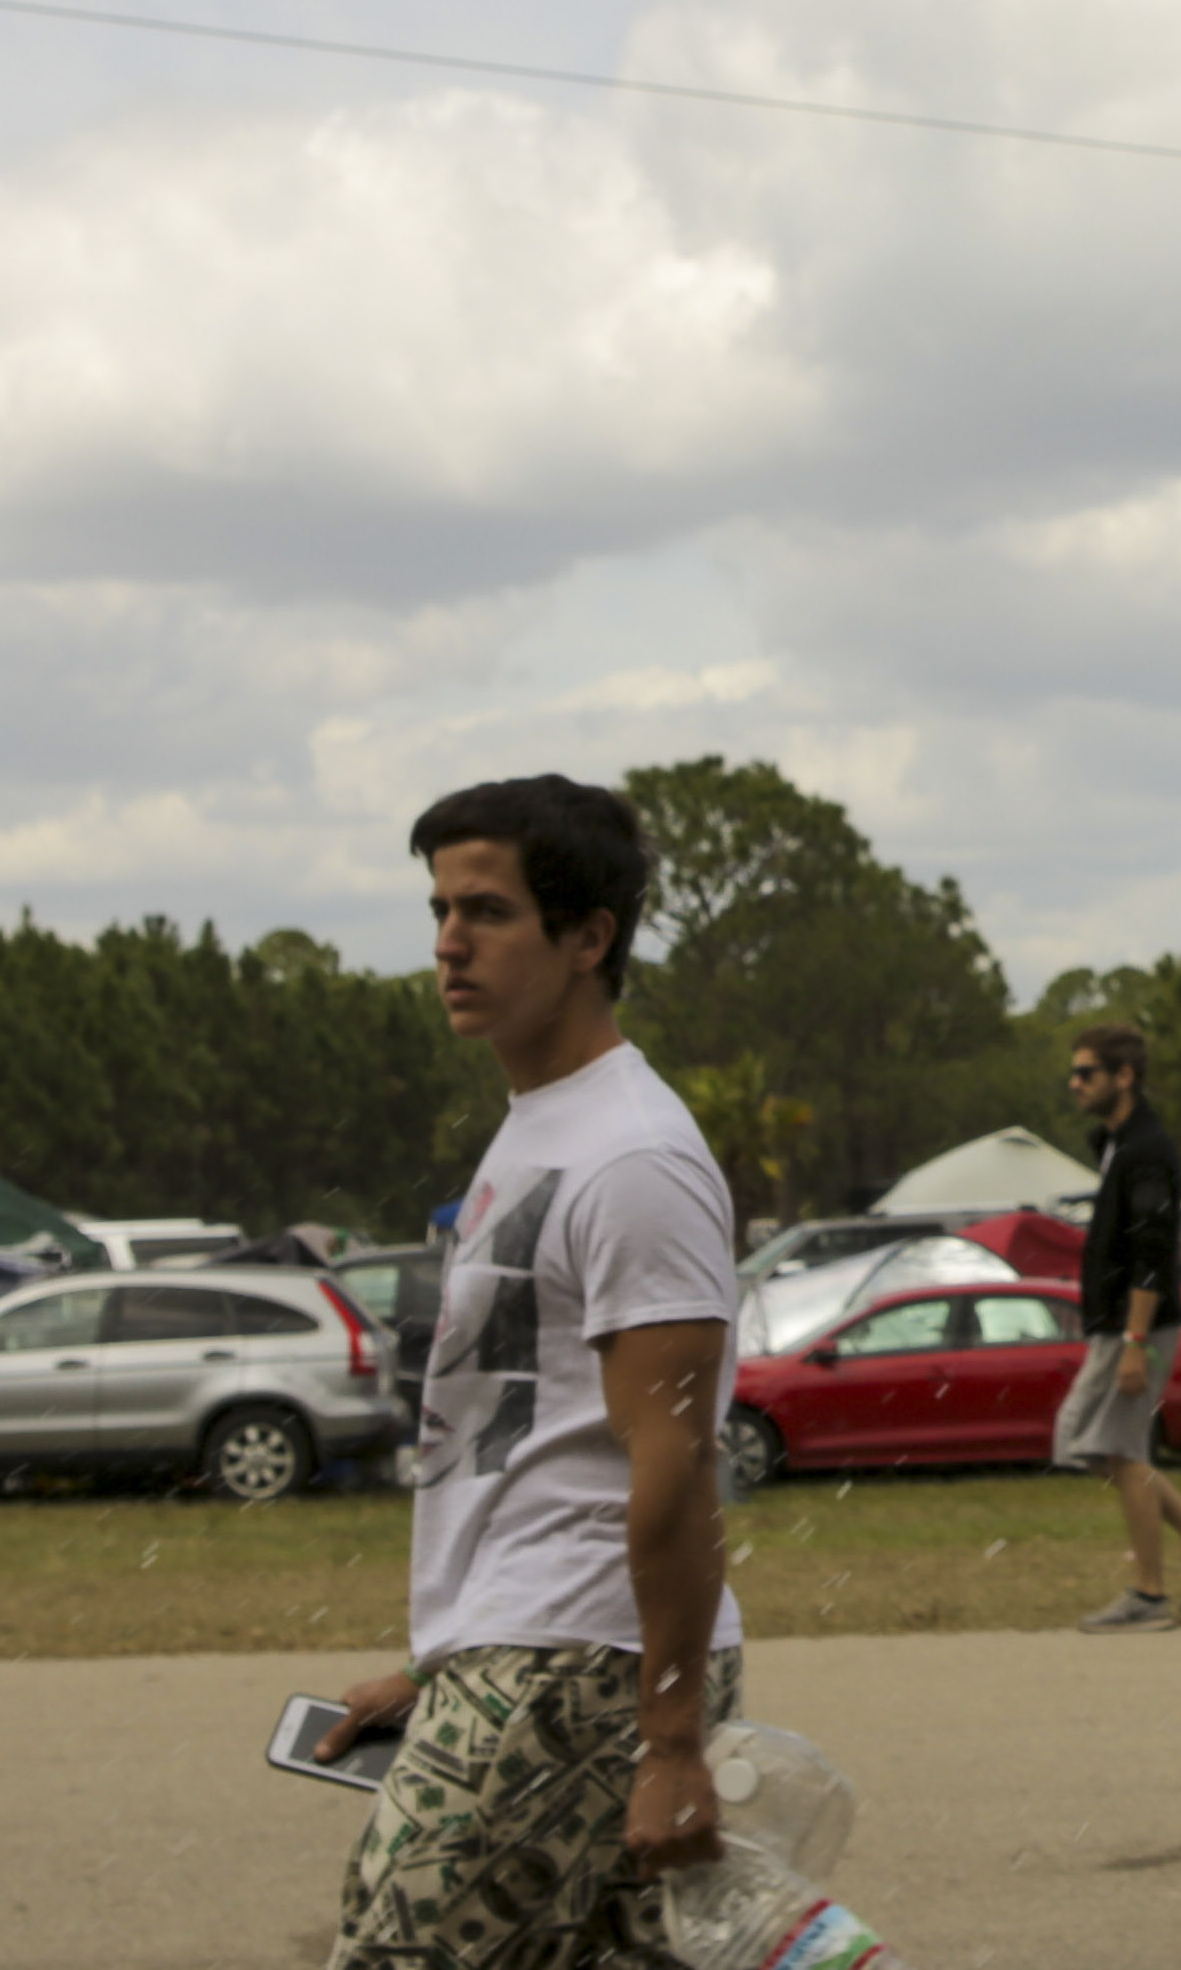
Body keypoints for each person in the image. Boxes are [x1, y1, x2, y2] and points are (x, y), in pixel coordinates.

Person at [320, 775, 740, 1969]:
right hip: (524, 1653)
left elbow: (673, 1460)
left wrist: (670, 1742)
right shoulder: (543, 1126)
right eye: (441, 910)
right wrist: (442, 1666)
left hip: (579, 1665)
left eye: (489, 912)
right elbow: (535, 1432)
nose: (450, 943)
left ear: (588, 938)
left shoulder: (633, 1157)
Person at [1059, 1022, 1181, 1632]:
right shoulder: (1116, 1143)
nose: (1075, 1083)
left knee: (1118, 1450)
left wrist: (1136, 1343)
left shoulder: (1148, 1151)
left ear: (1125, 1076)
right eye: (1074, 1072)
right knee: (1085, 1441)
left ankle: (1149, 1595)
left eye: (1086, 1072)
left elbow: (1153, 1252)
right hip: (1114, 1325)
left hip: (1135, 1326)